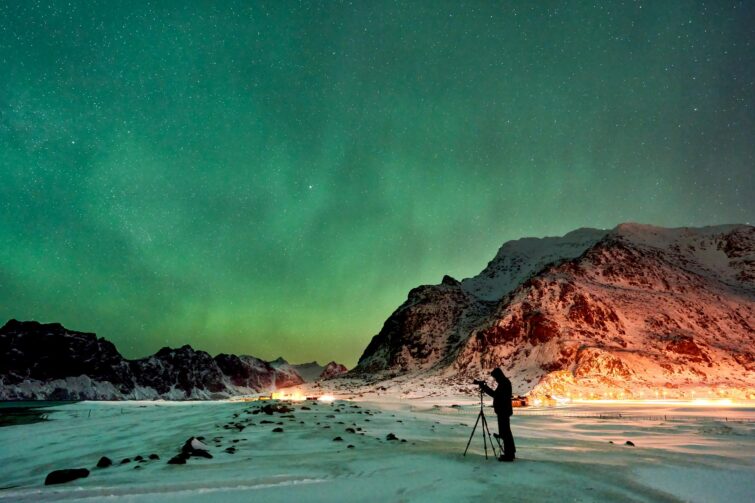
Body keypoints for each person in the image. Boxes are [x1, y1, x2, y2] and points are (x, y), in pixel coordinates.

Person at [477, 367, 516, 462]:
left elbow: (496, 395)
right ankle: (510, 452)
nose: (495, 379)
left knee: (505, 433)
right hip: (503, 411)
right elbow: (497, 395)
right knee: (506, 432)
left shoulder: (504, 384)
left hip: (503, 411)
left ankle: (509, 455)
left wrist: (484, 388)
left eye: (495, 377)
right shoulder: (505, 383)